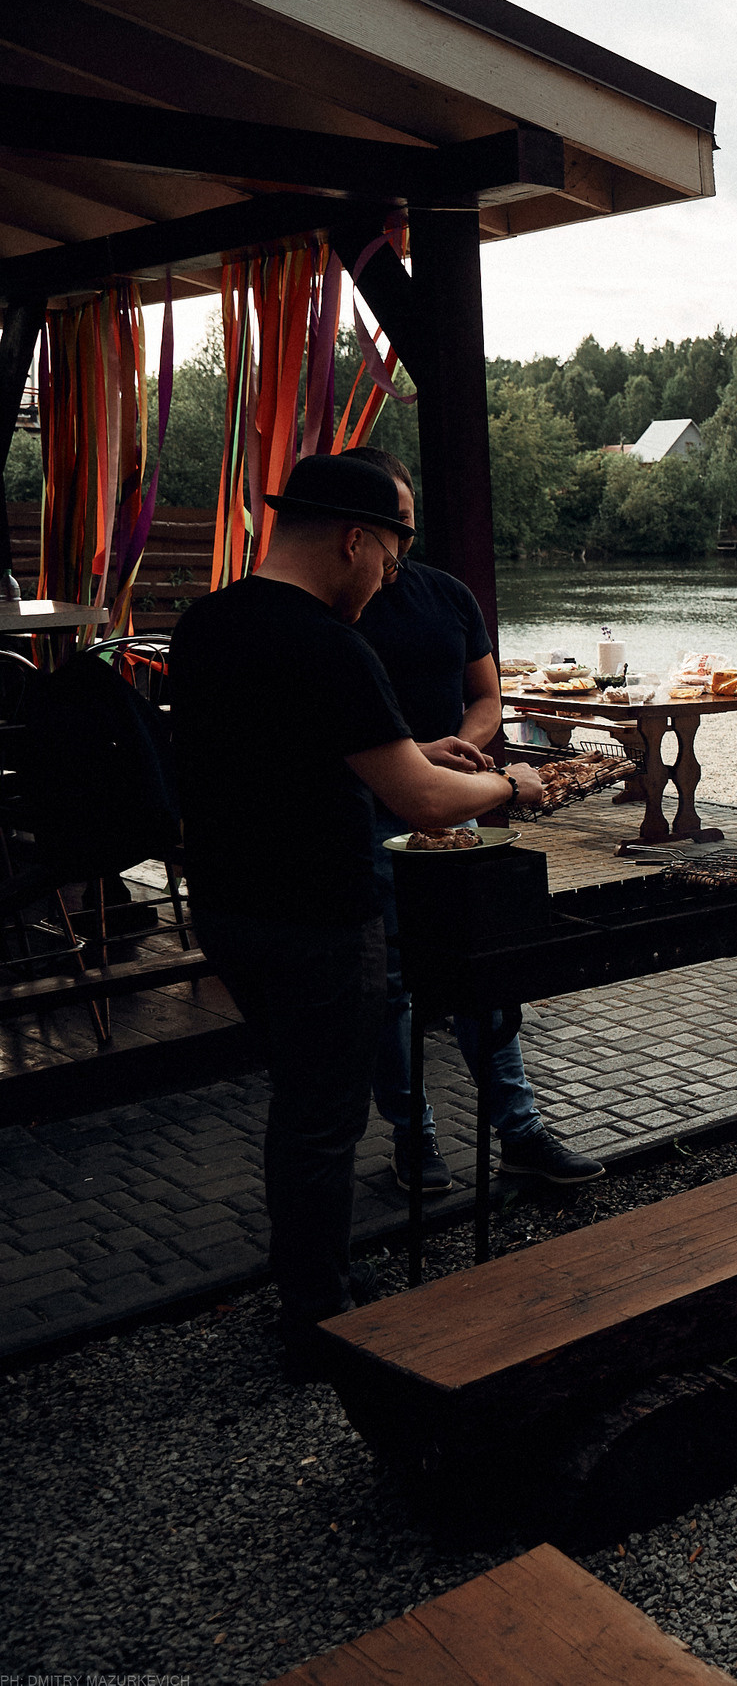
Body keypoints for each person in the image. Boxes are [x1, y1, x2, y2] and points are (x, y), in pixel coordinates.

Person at [170, 455, 545, 1376]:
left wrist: (411, 744)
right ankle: (319, 1315)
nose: (386, 581)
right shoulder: (331, 644)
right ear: (354, 540)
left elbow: (283, 750)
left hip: (228, 909)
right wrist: (511, 781)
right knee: (322, 1115)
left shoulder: (206, 624)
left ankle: (313, 1282)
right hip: (318, 915)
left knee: (298, 1100)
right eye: (385, 559)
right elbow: (419, 803)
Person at [341, 445, 600, 1193]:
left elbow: (487, 697)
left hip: (462, 808)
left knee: (486, 965)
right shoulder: (338, 613)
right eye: (391, 528)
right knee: (392, 983)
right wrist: (413, 762)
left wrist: (466, 745)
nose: (402, 545)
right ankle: (412, 1136)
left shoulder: (449, 596)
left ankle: (519, 1131)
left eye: (410, 527)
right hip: (371, 819)